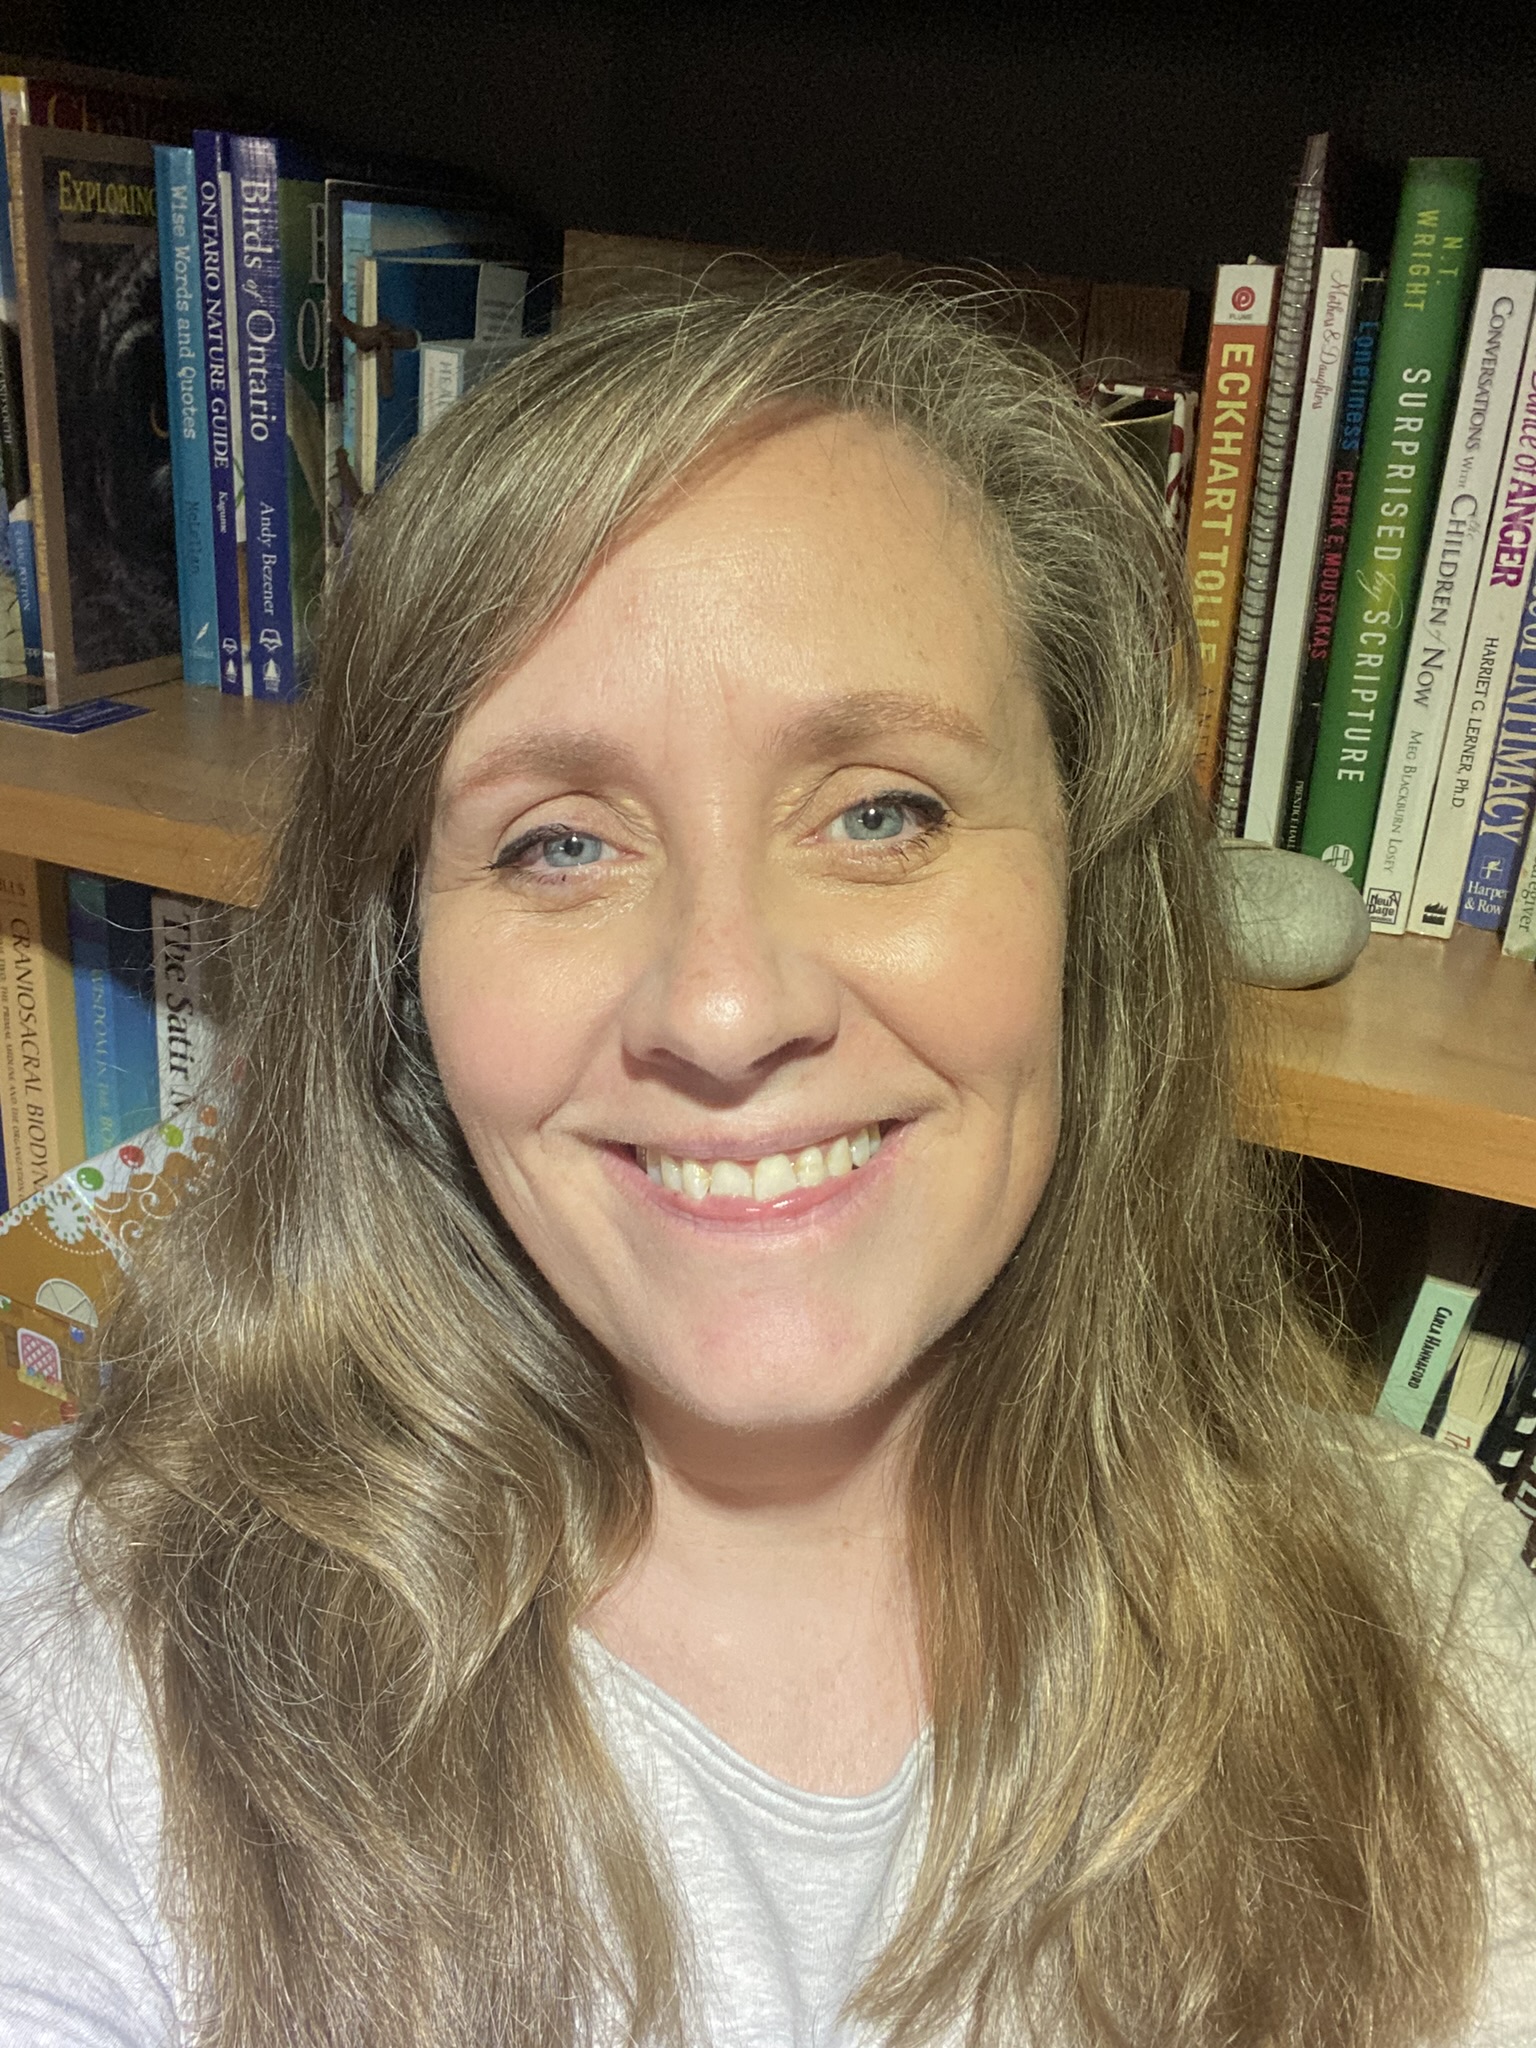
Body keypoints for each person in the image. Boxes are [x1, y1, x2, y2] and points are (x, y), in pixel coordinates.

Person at [1, 278, 1532, 2048]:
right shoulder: (96, 1683)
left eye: (881, 811)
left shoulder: (1419, 1641)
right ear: (400, 967)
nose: (724, 1008)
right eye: (558, 841)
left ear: (1089, 902)